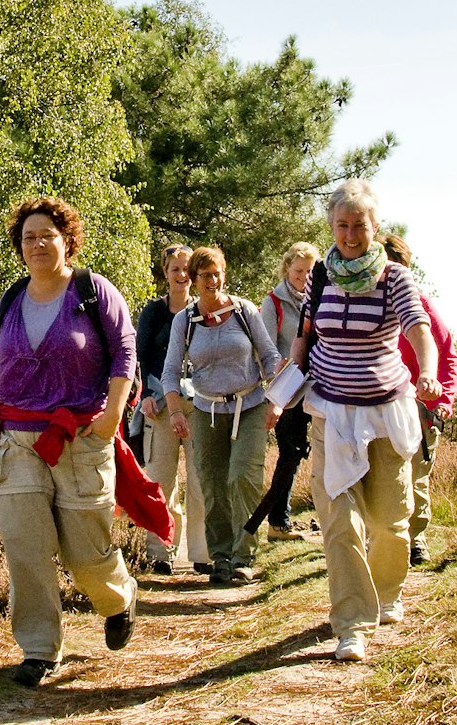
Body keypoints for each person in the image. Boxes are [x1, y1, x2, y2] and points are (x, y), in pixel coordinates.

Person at [0, 196, 168, 688]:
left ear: (66, 241)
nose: (37, 244)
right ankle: (38, 650)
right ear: (19, 247)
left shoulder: (92, 292)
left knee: (83, 553)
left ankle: (119, 598)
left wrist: (112, 414)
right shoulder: (11, 300)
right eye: (28, 237)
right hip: (16, 441)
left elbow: (124, 353)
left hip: (80, 440)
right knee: (24, 548)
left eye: (46, 235)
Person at [291, 181, 442, 664]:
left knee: (389, 522)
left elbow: (419, 329)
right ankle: (351, 623)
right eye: (342, 225)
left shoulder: (395, 278)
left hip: (384, 412)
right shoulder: (320, 276)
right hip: (332, 412)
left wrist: (430, 372)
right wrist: (287, 383)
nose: (350, 234)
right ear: (332, 226)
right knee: (340, 522)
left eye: (360, 226)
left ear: (375, 228)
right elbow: (306, 333)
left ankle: (387, 591)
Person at [162, 246, 280, 587]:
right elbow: (170, 372)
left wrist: (278, 395)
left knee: (242, 476)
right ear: (194, 279)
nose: (212, 281)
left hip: (251, 405)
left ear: (224, 274)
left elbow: (269, 355)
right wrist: (174, 412)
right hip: (206, 409)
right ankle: (222, 556)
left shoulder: (244, 312)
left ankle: (244, 556)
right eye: (205, 275)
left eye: (217, 274)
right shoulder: (184, 321)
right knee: (212, 484)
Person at [380, 233, 457, 566]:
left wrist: (445, 398)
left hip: (420, 406)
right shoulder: (362, 304)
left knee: (416, 474)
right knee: (382, 474)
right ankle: (384, 537)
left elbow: (447, 354)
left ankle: (416, 538)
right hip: (380, 404)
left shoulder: (421, 304)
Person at [135, 245, 211, 575]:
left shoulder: (204, 310)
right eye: (175, 269)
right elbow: (139, 358)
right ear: (165, 273)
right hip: (160, 406)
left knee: (200, 480)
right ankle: (159, 552)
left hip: (199, 404)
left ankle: (203, 554)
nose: (181, 275)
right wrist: (146, 396)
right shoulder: (152, 313)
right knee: (160, 481)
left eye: (186, 269)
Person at [258, 241, 322, 539]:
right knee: (291, 452)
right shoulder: (273, 302)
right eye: (299, 271)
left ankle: (328, 515)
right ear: (287, 269)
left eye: (310, 271)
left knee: (323, 450)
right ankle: (277, 521)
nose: (304, 276)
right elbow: (265, 347)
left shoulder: (322, 297)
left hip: (321, 383)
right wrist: (278, 373)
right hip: (288, 389)